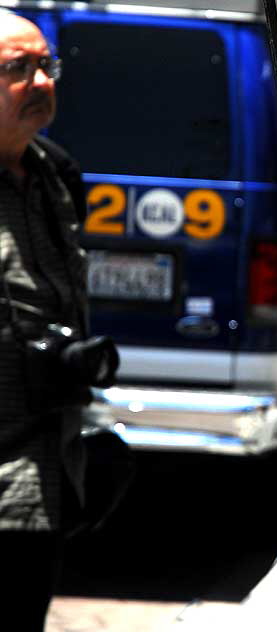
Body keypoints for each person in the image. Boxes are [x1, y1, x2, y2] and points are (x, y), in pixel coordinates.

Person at [0, 12, 87, 630]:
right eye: (15, 69)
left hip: (43, 482)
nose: (39, 82)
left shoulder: (55, 175)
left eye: (45, 65)